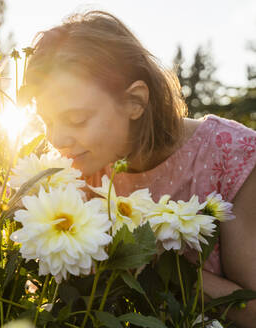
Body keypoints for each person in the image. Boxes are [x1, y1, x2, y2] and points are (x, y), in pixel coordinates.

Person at [21, 10, 256, 327]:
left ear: (135, 101)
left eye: (76, 119)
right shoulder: (74, 174)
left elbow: (252, 311)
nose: (57, 139)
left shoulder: (231, 158)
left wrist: (159, 265)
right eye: (47, 121)